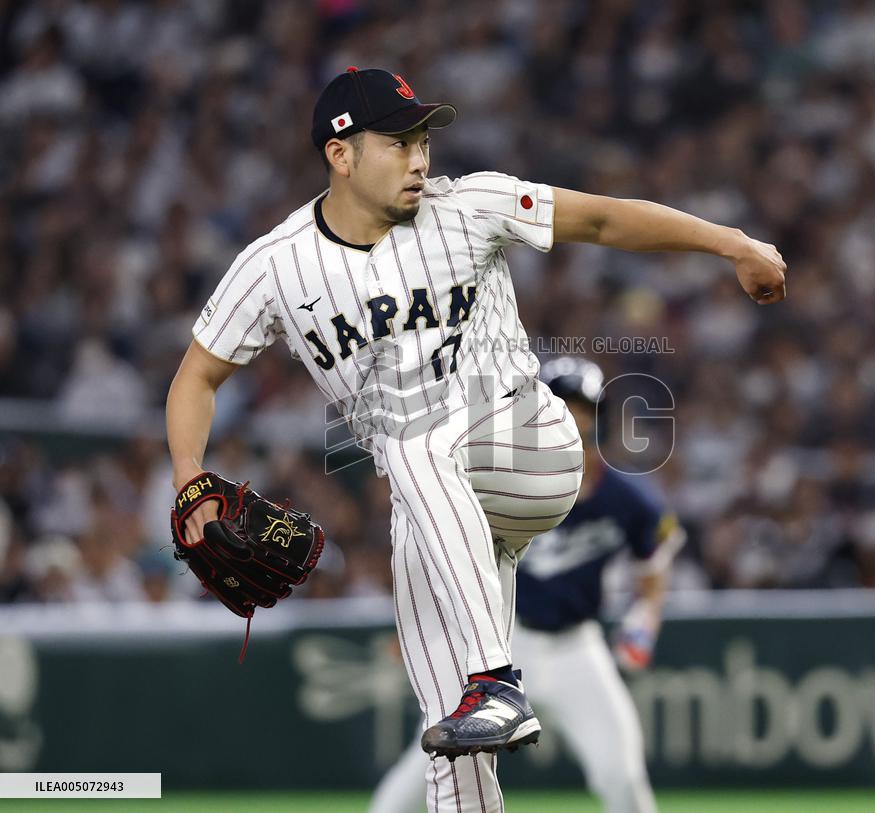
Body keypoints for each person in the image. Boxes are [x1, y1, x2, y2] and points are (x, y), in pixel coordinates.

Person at [165, 67, 786, 813]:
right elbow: (196, 376)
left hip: (530, 443)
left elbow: (603, 220)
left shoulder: (470, 205)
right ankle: (482, 696)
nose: (420, 156)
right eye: (398, 142)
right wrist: (190, 476)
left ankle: (496, 678)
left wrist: (732, 243)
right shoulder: (275, 264)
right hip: (441, 509)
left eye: (424, 138)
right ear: (340, 154)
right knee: (451, 747)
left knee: (411, 442)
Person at [369, 357, 684, 813]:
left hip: (578, 648)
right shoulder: (495, 483)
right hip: (505, 646)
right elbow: (443, 552)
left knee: (622, 777)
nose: (574, 420)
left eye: (583, 410)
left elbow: (654, 560)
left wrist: (645, 618)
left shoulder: (627, 497)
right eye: (563, 407)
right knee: (434, 769)